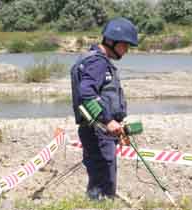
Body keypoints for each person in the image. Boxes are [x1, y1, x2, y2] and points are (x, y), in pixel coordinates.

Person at [70, 17, 138, 200]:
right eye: (125, 45)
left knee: (100, 180)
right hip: (98, 131)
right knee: (103, 184)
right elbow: (87, 94)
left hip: (99, 130)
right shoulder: (97, 62)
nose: (126, 50)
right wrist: (107, 120)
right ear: (112, 41)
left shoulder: (94, 59)